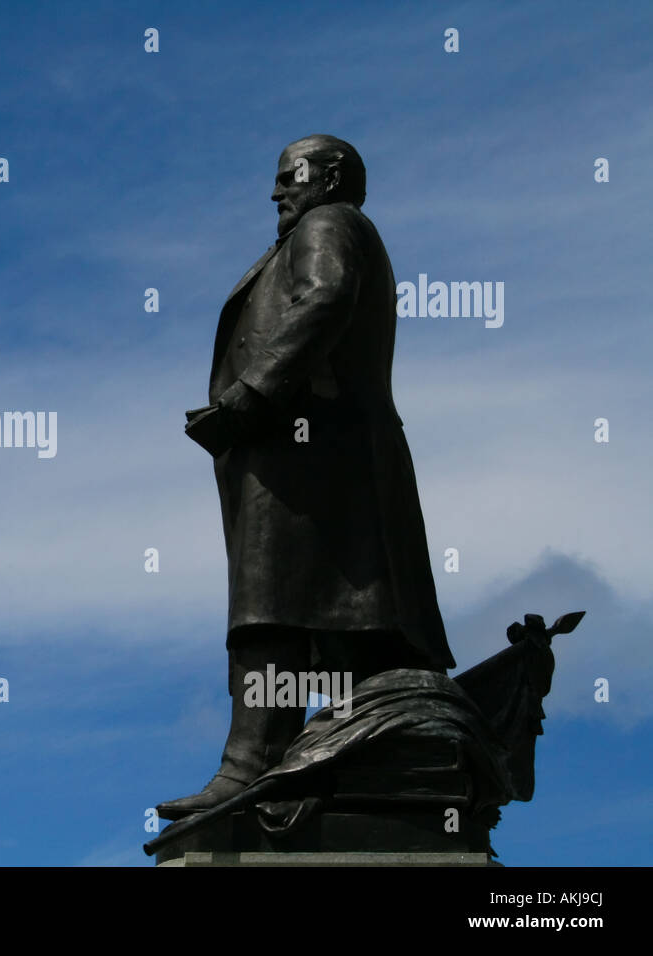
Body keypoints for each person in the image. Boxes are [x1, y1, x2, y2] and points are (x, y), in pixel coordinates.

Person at [157, 135, 456, 820]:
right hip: (312, 459)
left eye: (288, 175)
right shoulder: (327, 230)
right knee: (330, 617)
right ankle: (345, 761)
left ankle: (255, 765)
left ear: (330, 179)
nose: (275, 192)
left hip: (310, 459)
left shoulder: (331, 225)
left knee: (276, 610)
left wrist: (244, 401)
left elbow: (324, 300)